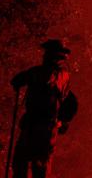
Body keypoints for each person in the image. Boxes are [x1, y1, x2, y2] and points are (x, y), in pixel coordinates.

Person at [10, 40, 78, 178]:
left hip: (44, 128)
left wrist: (62, 121)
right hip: (34, 126)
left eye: (47, 53)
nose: (44, 56)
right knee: (21, 161)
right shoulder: (61, 76)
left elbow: (45, 79)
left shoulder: (56, 75)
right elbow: (71, 102)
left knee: (39, 165)